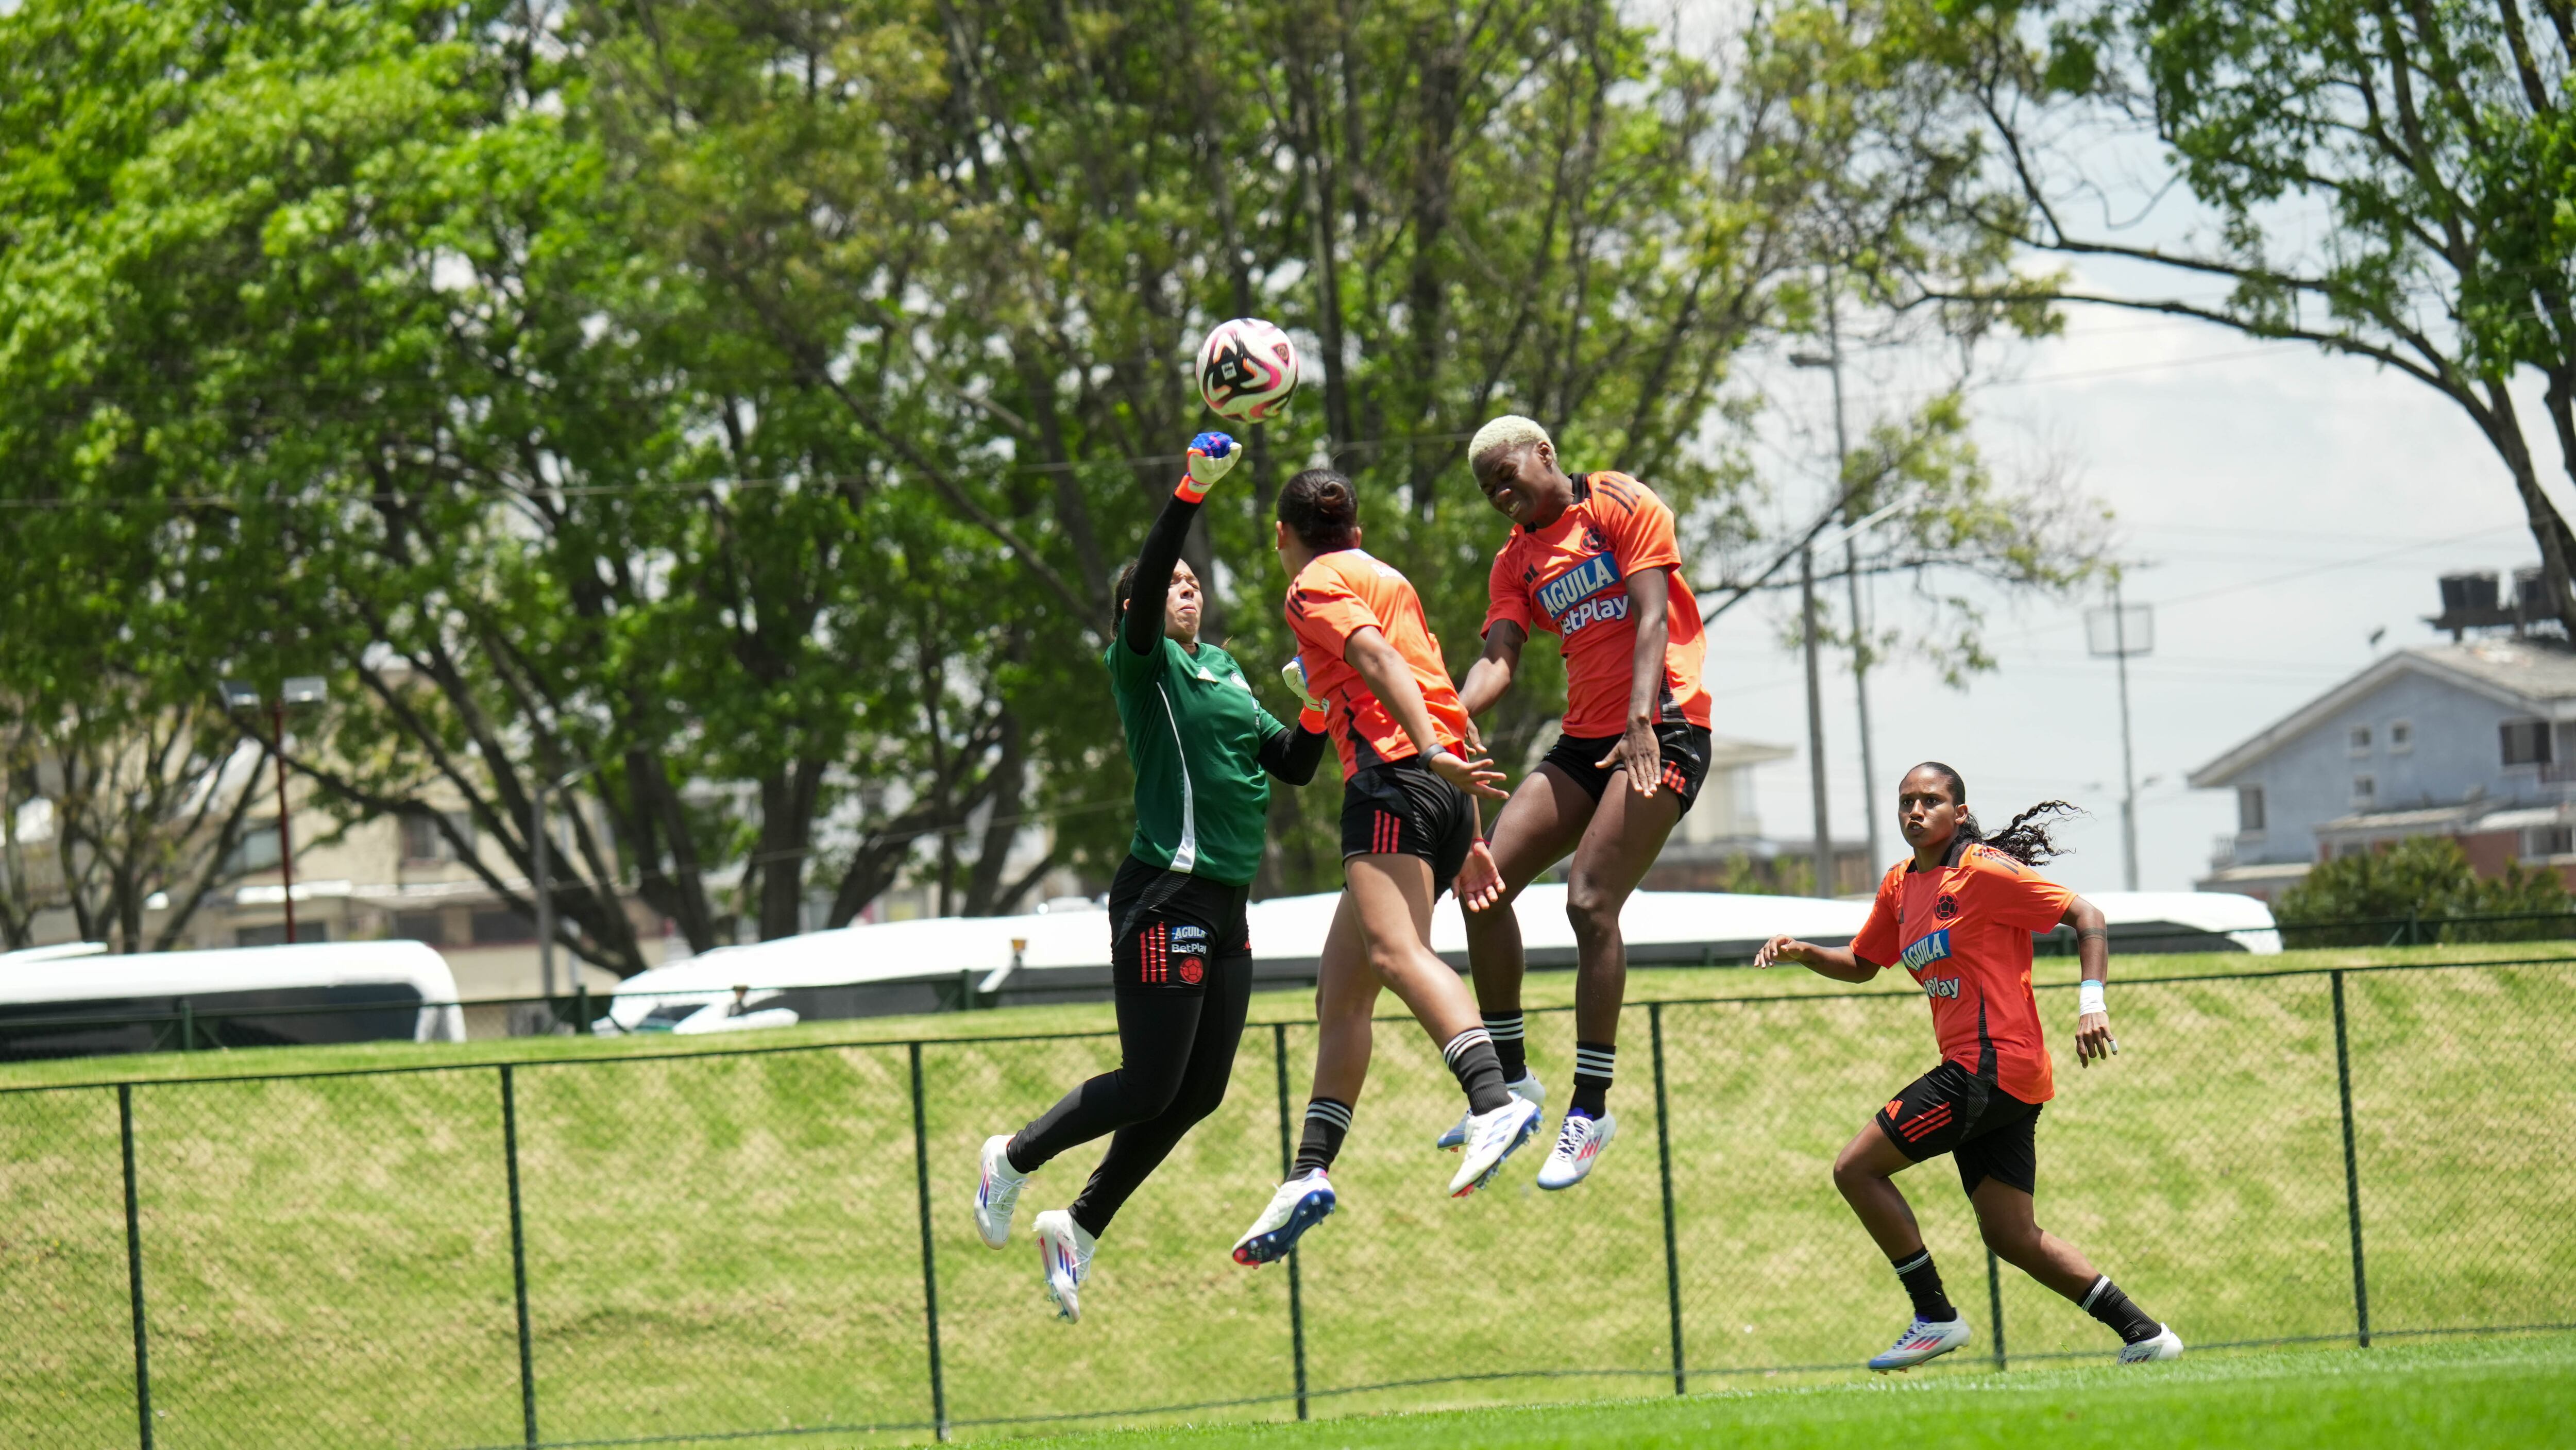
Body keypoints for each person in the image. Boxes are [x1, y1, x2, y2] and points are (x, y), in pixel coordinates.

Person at [973, 432, 1327, 1323]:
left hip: (1227, 900)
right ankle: (1010, 1158)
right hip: (1164, 892)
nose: (1187, 586)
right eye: (1171, 582)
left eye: (1194, 582)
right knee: (1147, 1080)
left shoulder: (1225, 672)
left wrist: (1321, 696)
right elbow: (1155, 568)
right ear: (1134, 605)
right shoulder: (1147, 665)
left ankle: (1078, 1225)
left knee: (1198, 1089)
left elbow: (1292, 763)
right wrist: (1190, 491)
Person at [1753, 763, 2184, 1370]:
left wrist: (2092, 1003)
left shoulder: (1981, 869)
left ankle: (1933, 1315)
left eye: (1930, 800)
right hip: (1999, 1077)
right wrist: (1802, 952)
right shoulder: (1900, 886)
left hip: (1990, 1068)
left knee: (1855, 1170)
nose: (1914, 811)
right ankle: (2144, 1334)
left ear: (1958, 813)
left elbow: (2087, 916)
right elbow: (1860, 962)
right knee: (2010, 1234)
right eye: (1905, 801)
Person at [1230, 467, 1540, 1267]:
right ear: (1358, 532)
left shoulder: (1313, 585)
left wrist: (1430, 755)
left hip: (1396, 780)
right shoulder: (1388, 577)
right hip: (1437, 796)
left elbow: (1379, 664)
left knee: (1398, 956)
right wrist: (1470, 831)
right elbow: (1442, 691)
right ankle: (1308, 1172)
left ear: (1281, 536)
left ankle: (1492, 1098)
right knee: (1343, 991)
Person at [1442, 415, 1715, 1189]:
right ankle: (1513, 1080)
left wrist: (1641, 720)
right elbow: (1500, 656)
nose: (1501, 494)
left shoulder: (1616, 502)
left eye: (1508, 476)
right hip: (1586, 741)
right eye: (1488, 488)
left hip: (1663, 726)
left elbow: (1654, 614)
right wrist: (1449, 717)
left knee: (1590, 903)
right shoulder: (1515, 561)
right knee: (1482, 879)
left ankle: (1589, 1111)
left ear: (1546, 456)